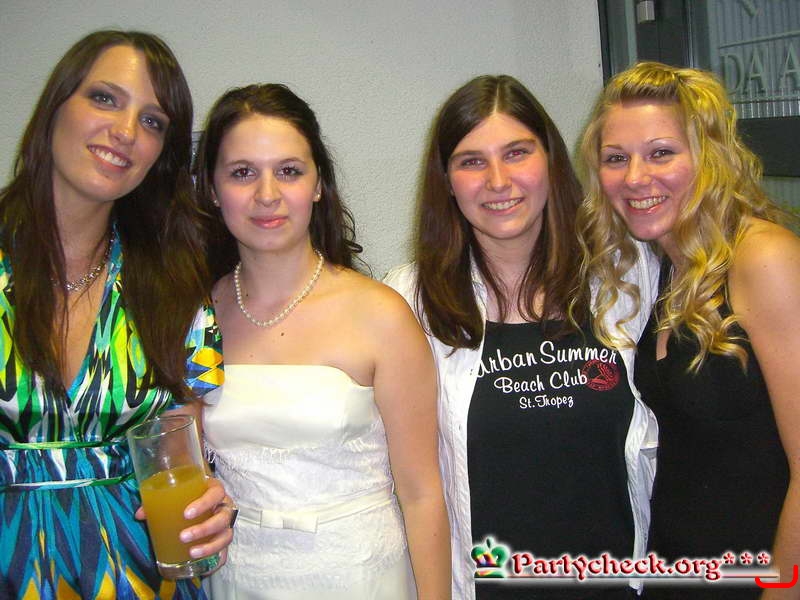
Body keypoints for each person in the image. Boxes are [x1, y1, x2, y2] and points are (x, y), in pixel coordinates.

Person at [384, 74, 659, 600]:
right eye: (471, 161)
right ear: (446, 181)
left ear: (551, 161)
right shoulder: (407, 302)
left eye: (517, 153)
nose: (498, 180)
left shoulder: (627, 277)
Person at [0, 31, 234, 599]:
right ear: (55, 106)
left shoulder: (176, 285)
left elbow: (186, 452)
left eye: (153, 121)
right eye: (104, 98)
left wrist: (209, 509)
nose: (126, 131)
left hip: (141, 577)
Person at [195, 83, 450, 599]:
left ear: (317, 184)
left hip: (361, 577)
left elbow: (422, 494)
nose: (267, 194)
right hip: (237, 579)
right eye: (242, 172)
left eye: (289, 171)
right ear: (213, 189)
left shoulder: (380, 314)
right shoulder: (198, 317)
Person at [577, 61, 800, 599]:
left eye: (661, 153)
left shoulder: (762, 257)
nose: (635, 177)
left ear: (709, 157)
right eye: (616, 158)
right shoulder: (663, 270)